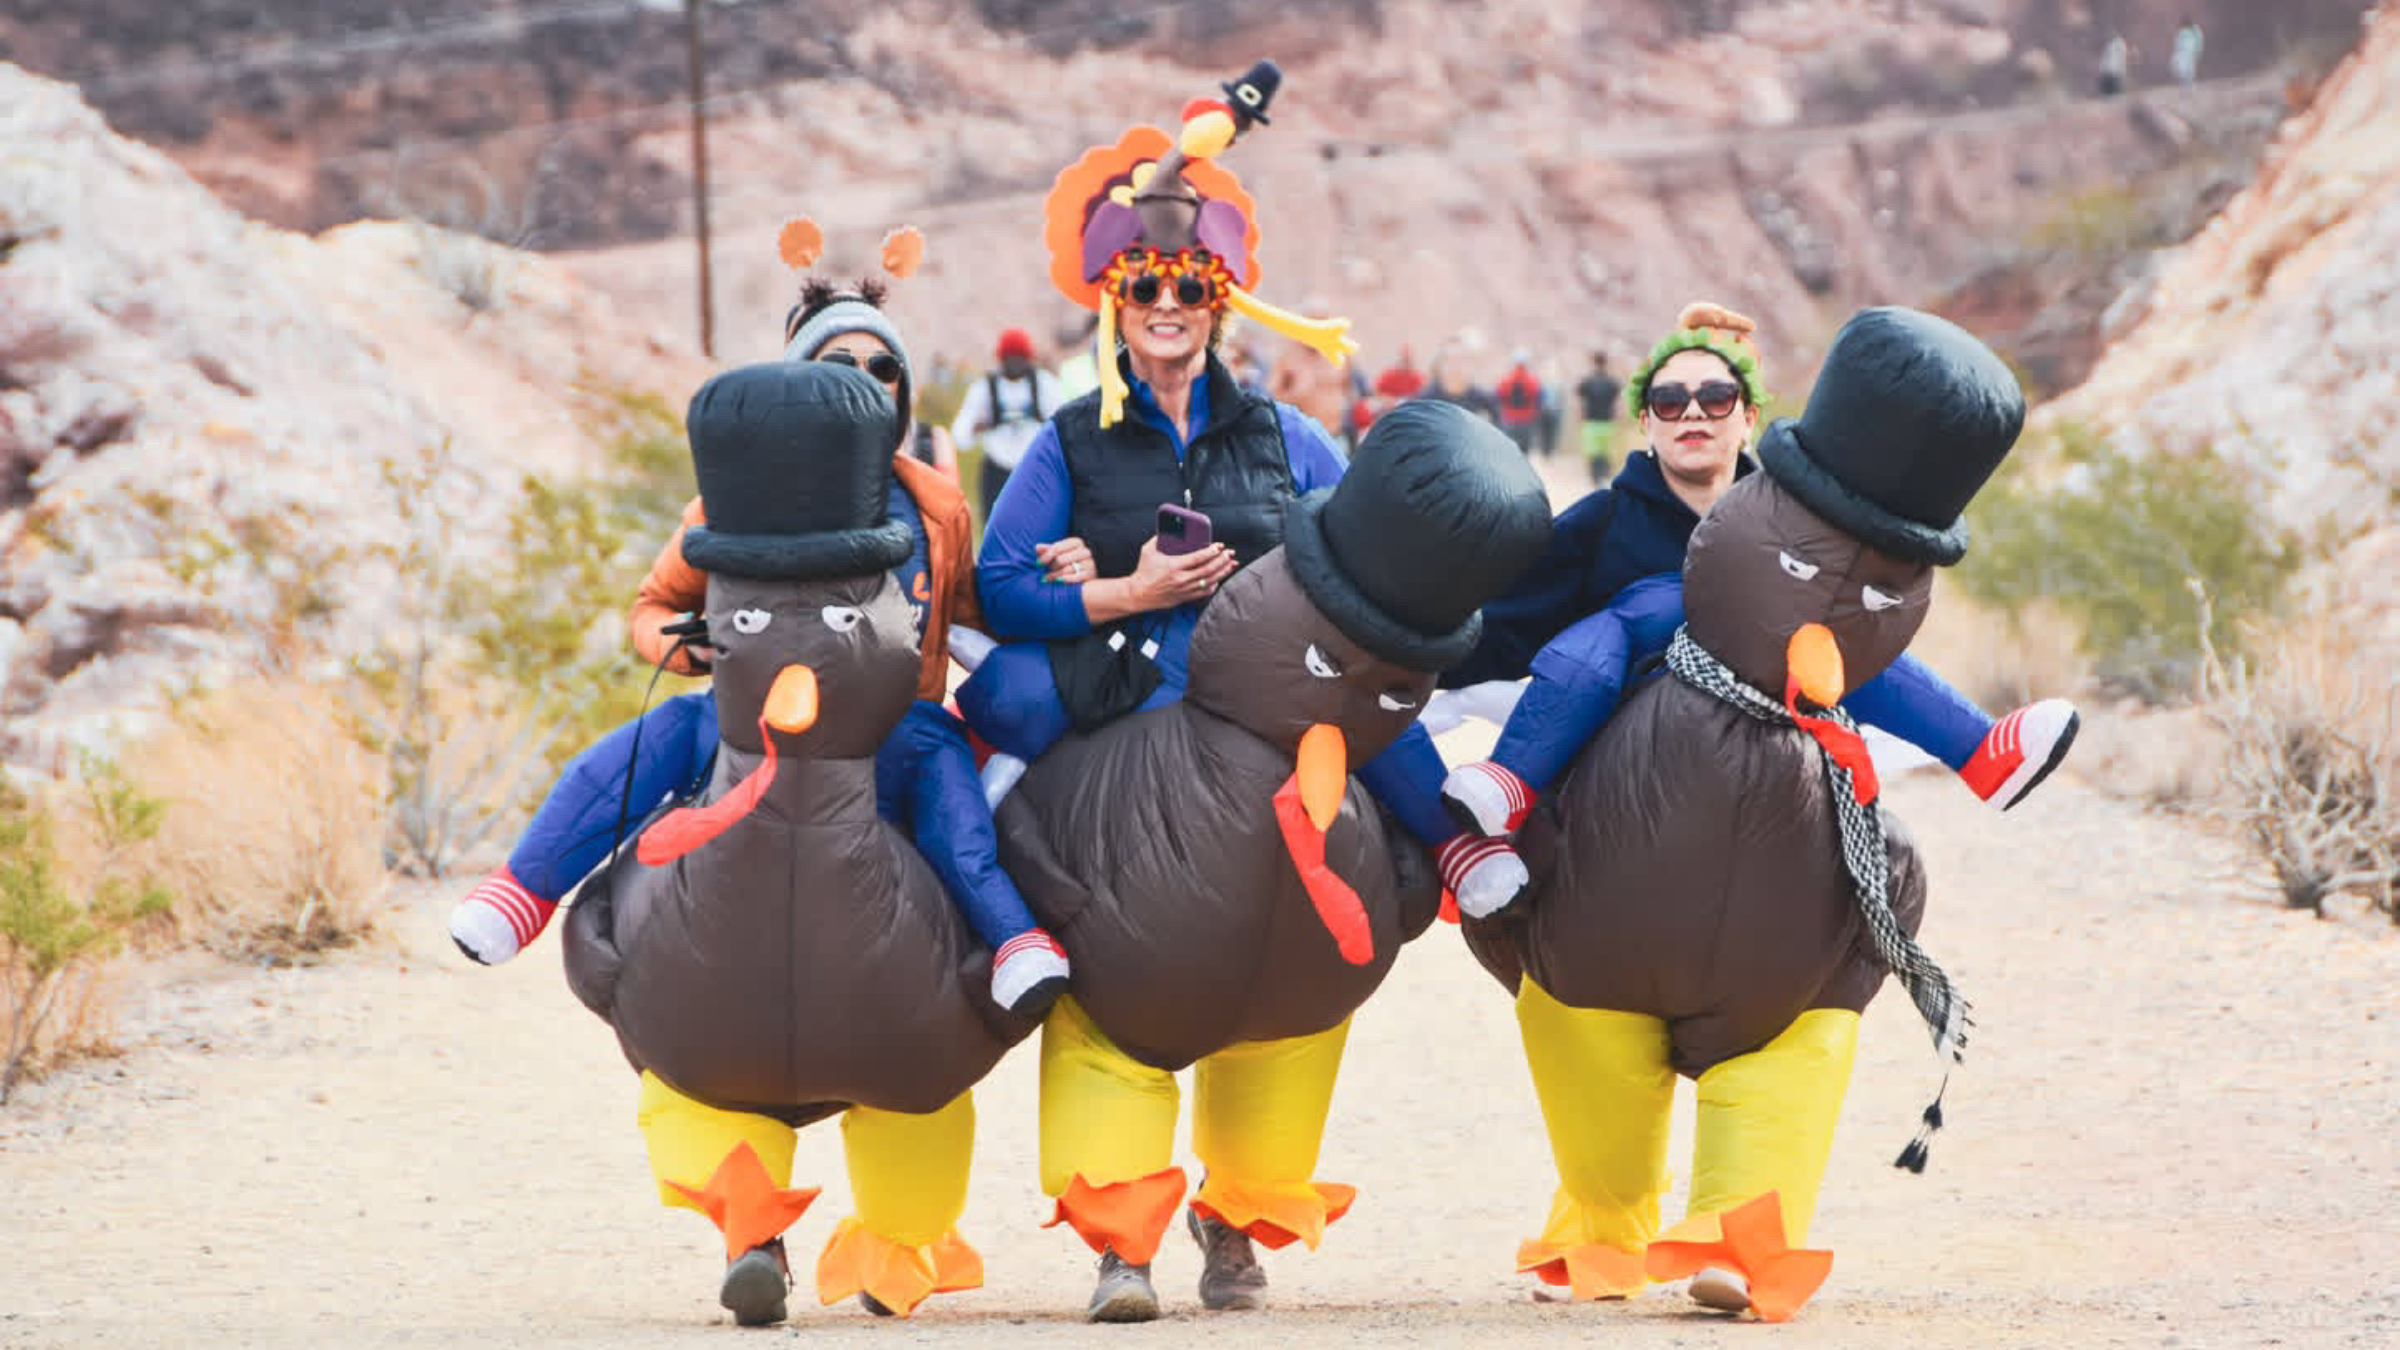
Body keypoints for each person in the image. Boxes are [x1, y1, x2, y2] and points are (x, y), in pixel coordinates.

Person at [959, 69, 1517, 1320]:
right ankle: (980, 906)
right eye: (1145, 289)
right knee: (1000, 729)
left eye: (1188, 289)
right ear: (1115, 301)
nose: (1167, 305)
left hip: (1270, 687)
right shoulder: (1064, 442)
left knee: (1386, 722)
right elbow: (999, 587)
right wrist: (1120, 590)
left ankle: (1464, 855)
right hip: (1127, 687)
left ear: (1220, 302)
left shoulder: (1284, 436)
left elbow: (1362, 548)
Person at [450, 244, 1072, 1016]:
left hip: (896, 722)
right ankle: (523, 891)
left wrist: (1053, 586)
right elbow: (650, 608)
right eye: (840, 364)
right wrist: (677, 646)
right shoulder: (730, 505)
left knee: (957, 811)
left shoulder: (939, 506)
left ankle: (1012, 940)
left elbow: (972, 615)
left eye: (885, 370)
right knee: (655, 740)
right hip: (758, 718)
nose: (866, 382)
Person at [1435, 303, 2081, 914]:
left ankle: (1980, 751)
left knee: (1833, 639)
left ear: (1747, 418)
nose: (1693, 412)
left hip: (1778, 702)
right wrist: (1425, 657)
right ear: (1646, 423)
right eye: (1669, 399)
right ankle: (1510, 786)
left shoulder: (1794, 516)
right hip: (1629, 731)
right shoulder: (1604, 521)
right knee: (1641, 611)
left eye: (1715, 398)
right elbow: (1516, 613)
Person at [951, 327, 1063, 525]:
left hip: (1034, 469)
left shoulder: (1044, 384)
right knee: (995, 527)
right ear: (1000, 359)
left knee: (1038, 528)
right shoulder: (985, 387)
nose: (1015, 364)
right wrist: (983, 425)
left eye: (1020, 358)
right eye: (1010, 358)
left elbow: (1064, 425)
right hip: (996, 469)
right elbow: (960, 436)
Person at [1575, 349, 1622, 484]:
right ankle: (1603, 477)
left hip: (1591, 422)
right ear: (1606, 363)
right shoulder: (1612, 382)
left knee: (1592, 452)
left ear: (1593, 362)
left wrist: (1579, 418)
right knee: (1605, 452)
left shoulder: (1587, 381)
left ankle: (1595, 479)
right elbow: (1618, 404)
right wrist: (1619, 419)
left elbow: (1579, 402)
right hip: (1607, 422)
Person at [1494, 348, 1545, 456]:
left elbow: (1497, 399)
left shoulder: (1505, 380)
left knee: (1509, 454)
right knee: (1524, 455)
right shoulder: (1533, 381)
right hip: (1527, 422)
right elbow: (1539, 401)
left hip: (1509, 421)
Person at [2171, 16, 2204, 91]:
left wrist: (2198, 51)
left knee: (2188, 71)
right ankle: (2186, 87)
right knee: (2184, 71)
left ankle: (2189, 88)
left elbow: (2199, 41)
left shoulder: (2194, 30)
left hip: (2189, 53)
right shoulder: (2182, 32)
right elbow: (2177, 43)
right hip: (2185, 53)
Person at [2098, 30, 2129, 96]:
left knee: (2112, 92)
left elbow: (2121, 58)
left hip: (2112, 72)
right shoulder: (2113, 44)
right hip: (2110, 72)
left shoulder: (2116, 44)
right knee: (2111, 91)